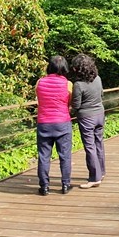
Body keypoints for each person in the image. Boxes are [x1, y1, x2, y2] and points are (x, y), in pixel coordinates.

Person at [35, 55, 73, 195]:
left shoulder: (40, 82)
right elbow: (69, 103)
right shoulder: (68, 84)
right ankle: (65, 184)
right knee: (65, 155)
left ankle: (44, 186)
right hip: (62, 122)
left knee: (44, 156)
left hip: (44, 123)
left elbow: (39, 100)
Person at [70, 53, 107, 188]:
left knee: (90, 146)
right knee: (99, 143)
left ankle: (94, 178)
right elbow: (102, 94)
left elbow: (76, 105)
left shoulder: (78, 85)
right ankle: (101, 172)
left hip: (87, 117)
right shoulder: (98, 78)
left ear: (78, 69)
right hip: (100, 114)